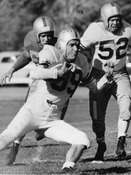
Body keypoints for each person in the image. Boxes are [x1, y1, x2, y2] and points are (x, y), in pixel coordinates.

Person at [0, 27, 114, 172]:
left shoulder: (81, 61)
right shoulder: (51, 52)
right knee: (5, 139)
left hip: (53, 117)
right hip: (34, 110)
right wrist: (57, 72)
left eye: (77, 45)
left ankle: (67, 169)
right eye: (71, 45)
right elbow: (35, 72)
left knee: (82, 140)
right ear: (62, 45)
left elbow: (94, 87)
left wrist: (106, 78)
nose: (76, 48)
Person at [80, 2, 131, 162]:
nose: (115, 23)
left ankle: (121, 140)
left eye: (118, 19)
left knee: (126, 106)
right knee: (97, 119)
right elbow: (79, 49)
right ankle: (101, 144)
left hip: (120, 73)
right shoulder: (95, 30)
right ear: (104, 19)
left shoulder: (128, 29)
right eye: (112, 19)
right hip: (99, 76)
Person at [0, 16, 60, 165]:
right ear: (36, 36)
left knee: (56, 111)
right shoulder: (31, 43)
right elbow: (26, 56)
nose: (47, 39)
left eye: (49, 35)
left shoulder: (59, 46)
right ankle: (15, 147)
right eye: (43, 35)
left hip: (56, 84)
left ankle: (43, 128)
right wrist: (11, 70)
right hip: (38, 82)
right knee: (26, 113)